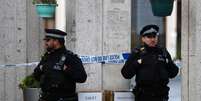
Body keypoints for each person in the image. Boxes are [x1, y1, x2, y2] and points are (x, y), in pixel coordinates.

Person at [121, 24, 179, 101]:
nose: (152, 39)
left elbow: (174, 73)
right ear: (143, 39)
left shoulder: (163, 52)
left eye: (154, 36)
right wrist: (137, 63)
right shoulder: (137, 52)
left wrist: (168, 63)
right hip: (144, 96)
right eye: (149, 37)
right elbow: (126, 74)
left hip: (161, 96)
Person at [33, 29, 87, 101]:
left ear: (56, 41)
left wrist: (67, 70)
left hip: (64, 98)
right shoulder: (47, 57)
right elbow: (36, 76)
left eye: (48, 40)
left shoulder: (70, 57)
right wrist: (40, 69)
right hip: (46, 98)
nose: (46, 43)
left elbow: (82, 77)